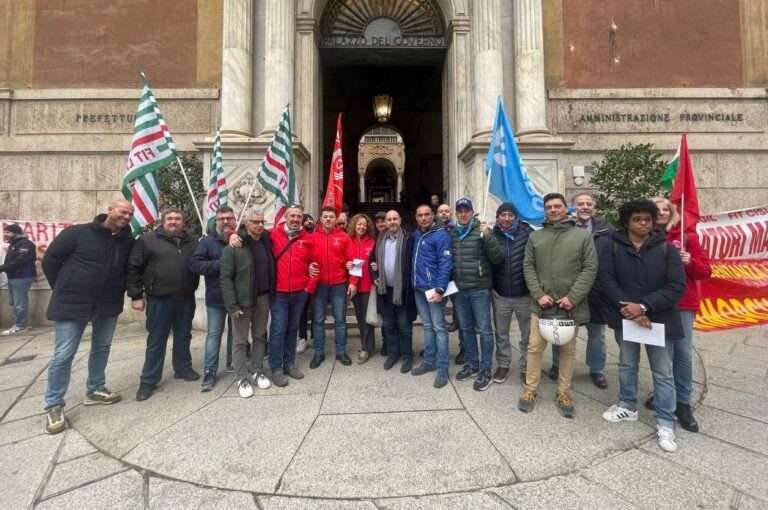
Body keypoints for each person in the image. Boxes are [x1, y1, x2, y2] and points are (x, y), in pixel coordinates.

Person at [41, 199, 135, 434]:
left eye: (130, 214)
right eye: (122, 212)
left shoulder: (126, 241)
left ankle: (95, 388)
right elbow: (51, 260)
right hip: (72, 303)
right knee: (63, 355)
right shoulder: (77, 233)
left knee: (102, 347)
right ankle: (53, 404)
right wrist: (64, 286)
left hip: (107, 303)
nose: (126, 217)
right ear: (110, 210)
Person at [600, 199, 686, 453]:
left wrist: (644, 307)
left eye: (647, 219)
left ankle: (666, 421)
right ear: (627, 221)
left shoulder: (667, 249)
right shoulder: (612, 247)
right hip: (625, 317)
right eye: (637, 219)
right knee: (627, 363)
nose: (643, 223)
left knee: (663, 372)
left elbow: (676, 286)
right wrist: (630, 310)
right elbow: (606, 280)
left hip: (658, 319)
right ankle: (627, 405)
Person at [517, 193, 597, 418]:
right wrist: (538, 294)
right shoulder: (536, 237)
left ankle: (563, 392)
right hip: (541, 305)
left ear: (565, 208)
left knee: (567, 350)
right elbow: (528, 267)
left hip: (570, 306)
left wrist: (573, 297)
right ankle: (531, 389)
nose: (553, 210)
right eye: (549, 207)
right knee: (534, 348)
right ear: (545, 210)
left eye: (557, 206)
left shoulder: (582, 236)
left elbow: (590, 268)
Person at [648, 197, 711, 432]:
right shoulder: (646, 237)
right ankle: (663, 394)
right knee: (661, 354)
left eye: (666, 209)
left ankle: (683, 403)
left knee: (683, 354)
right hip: (655, 305)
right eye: (657, 210)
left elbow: (705, 271)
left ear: (672, 212)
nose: (661, 213)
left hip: (683, 304)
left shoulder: (687, 238)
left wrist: (690, 261)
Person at [128, 208, 200, 401]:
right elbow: (134, 268)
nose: (174, 222)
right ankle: (149, 380)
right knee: (157, 340)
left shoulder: (192, 241)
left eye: (177, 219)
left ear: (183, 222)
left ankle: (183, 368)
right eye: (170, 219)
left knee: (184, 335)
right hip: (160, 299)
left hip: (185, 297)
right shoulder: (148, 240)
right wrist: (136, 295)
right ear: (163, 221)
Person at [550, 193, 614, 389]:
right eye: (580, 204)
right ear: (572, 207)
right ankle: (556, 365)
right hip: (569, 289)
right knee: (561, 330)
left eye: (588, 204)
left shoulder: (606, 229)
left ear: (593, 206)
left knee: (597, 334)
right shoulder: (562, 228)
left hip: (596, 290)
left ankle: (596, 369)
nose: (585, 207)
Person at [450, 198, 503, 391]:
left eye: (466, 210)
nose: (463, 214)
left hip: (479, 289)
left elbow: (497, 258)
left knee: (485, 331)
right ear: (456, 214)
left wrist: (488, 236)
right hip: (460, 290)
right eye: (460, 211)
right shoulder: (453, 233)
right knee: (466, 329)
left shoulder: (482, 230)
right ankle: (473, 364)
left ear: (472, 212)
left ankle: (486, 370)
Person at [219, 208, 274, 395]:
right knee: (240, 341)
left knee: (260, 336)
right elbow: (225, 278)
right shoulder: (234, 247)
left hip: (263, 297)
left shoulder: (266, 240)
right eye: (255, 222)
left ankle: (258, 370)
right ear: (246, 223)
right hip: (242, 301)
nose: (259, 225)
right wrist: (232, 305)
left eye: (262, 222)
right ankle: (241, 377)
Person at [267, 205, 318, 386]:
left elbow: (316, 266)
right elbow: (251, 231)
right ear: (286, 217)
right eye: (293, 216)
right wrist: (235, 233)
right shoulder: (273, 234)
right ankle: (276, 368)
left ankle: (289, 364)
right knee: (278, 330)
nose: (296, 219)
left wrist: (307, 290)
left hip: (299, 293)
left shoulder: (308, 239)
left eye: (299, 216)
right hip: (279, 293)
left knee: (292, 330)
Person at [189, 207, 236, 392]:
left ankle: (233, 363)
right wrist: (220, 264)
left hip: (237, 298)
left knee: (236, 334)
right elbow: (195, 264)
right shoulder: (207, 242)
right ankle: (210, 370)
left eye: (229, 218)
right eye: (222, 218)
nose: (226, 222)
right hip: (216, 298)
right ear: (216, 221)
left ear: (235, 219)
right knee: (214, 335)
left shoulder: (240, 239)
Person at [410, 205, 453, 388]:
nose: (424, 218)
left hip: (434, 290)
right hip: (419, 288)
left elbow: (446, 263)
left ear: (433, 216)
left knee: (439, 328)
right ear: (416, 217)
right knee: (427, 326)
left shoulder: (441, 234)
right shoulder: (417, 234)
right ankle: (429, 361)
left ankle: (443, 367)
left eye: (427, 214)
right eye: (420, 215)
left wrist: (440, 289)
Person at [490, 203, 533, 384]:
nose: (506, 218)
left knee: (527, 335)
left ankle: (526, 367)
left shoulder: (528, 234)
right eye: (503, 215)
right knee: (501, 334)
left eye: (510, 215)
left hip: (524, 294)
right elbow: (487, 262)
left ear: (515, 217)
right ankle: (503, 364)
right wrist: (491, 285)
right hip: (501, 295)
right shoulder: (492, 235)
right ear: (498, 217)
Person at [370, 210, 417, 372]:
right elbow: (372, 260)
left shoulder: (409, 239)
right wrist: (374, 275)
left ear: (400, 220)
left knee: (404, 326)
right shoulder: (380, 239)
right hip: (385, 291)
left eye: (394, 219)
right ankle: (392, 354)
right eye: (389, 219)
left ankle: (407, 357)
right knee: (389, 325)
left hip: (402, 292)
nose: (391, 222)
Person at [310, 206, 355, 368]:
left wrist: (353, 282)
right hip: (319, 284)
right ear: (321, 219)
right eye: (325, 217)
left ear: (336, 220)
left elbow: (352, 260)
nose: (328, 219)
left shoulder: (344, 237)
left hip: (339, 284)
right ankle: (318, 352)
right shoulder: (312, 237)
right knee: (318, 320)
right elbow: (305, 259)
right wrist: (309, 266)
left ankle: (341, 351)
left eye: (331, 217)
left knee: (340, 320)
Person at [346, 214, 377, 363]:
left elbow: (377, 260)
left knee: (367, 317)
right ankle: (368, 345)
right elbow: (343, 260)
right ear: (354, 225)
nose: (362, 227)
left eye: (364, 225)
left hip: (368, 286)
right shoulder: (348, 241)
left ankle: (365, 348)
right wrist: (346, 265)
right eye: (359, 224)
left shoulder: (372, 242)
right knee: (359, 317)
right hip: (354, 286)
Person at [436, 203, 465, 358]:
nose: (444, 214)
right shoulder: (433, 230)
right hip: (440, 280)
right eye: (441, 211)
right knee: (436, 317)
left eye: (447, 211)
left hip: (456, 279)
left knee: (461, 316)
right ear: (437, 214)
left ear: (451, 214)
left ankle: (464, 349)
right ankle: (437, 348)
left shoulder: (458, 230)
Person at [1, 223, 37, 335]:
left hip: (22, 276)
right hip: (14, 277)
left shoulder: (25, 244)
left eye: (8, 232)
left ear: (16, 233)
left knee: (19, 303)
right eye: (4, 232)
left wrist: (1, 268)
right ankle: (20, 323)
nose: (5, 234)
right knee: (14, 302)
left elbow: (19, 261)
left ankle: (21, 326)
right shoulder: (14, 244)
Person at [297, 213, 316, 354]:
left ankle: (315, 336)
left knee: (316, 311)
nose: (309, 222)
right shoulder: (298, 238)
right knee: (302, 312)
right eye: (306, 220)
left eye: (310, 219)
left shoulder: (318, 235)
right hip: (303, 281)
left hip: (316, 280)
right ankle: (302, 338)